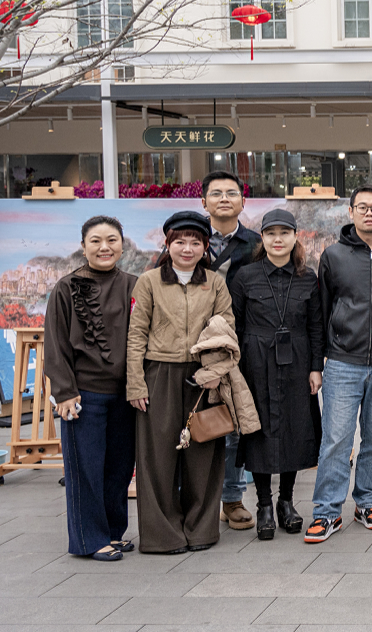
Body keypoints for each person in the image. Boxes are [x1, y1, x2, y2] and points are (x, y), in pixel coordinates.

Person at [306, 184, 372, 543]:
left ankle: (368, 501)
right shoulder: (334, 256)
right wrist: (317, 363)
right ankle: (326, 511)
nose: (369, 213)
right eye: (362, 207)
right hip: (342, 362)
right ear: (351, 213)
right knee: (336, 439)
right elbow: (321, 312)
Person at [127, 211, 235, 554]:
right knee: (156, 456)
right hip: (158, 373)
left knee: (204, 452)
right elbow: (136, 334)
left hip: (202, 375)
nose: (186, 249)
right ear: (168, 244)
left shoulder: (215, 283)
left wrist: (215, 373)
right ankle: (162, 535)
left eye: (195, 242)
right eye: (179, 241)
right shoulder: (149, 282)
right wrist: (135, 383)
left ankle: (201, 529)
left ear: (205, 247)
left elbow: (226, 327)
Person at [46, 216, 138, 561]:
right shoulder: (66, 288)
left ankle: (113, 532)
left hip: (126, 394)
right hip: (84, 394)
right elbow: (55, 345)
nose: (104, 247)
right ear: (83, 246)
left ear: (122, 245)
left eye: (112, 240)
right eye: (96, 241)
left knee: (118, 467)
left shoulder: (134, 284)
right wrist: (65, 392)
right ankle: (88, 539)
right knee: (85, 468)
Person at [229, 209, 324, 541]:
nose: (278, 239)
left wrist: (316, 368)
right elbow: (235, 326)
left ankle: (286, 501)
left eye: (285, 233)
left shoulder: (307, 277)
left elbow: (316, 327)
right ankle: (264, 505)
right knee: (259, 431)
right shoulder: (246, 276)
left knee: (295, 429)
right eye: (271, 233)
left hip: (297, 362)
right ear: (263, 238)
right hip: (256, 362)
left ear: (295, 236)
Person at [202, 170, 262, 532]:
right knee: (192, 422)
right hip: (189, 346)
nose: (224, 199)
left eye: (231, 193)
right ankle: (194, 500)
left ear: (243, 201)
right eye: (216, 193)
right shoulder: (187, 239)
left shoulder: (255, 244)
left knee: (233, 424)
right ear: (203, 201)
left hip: (237, 348)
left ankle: (232, 497)